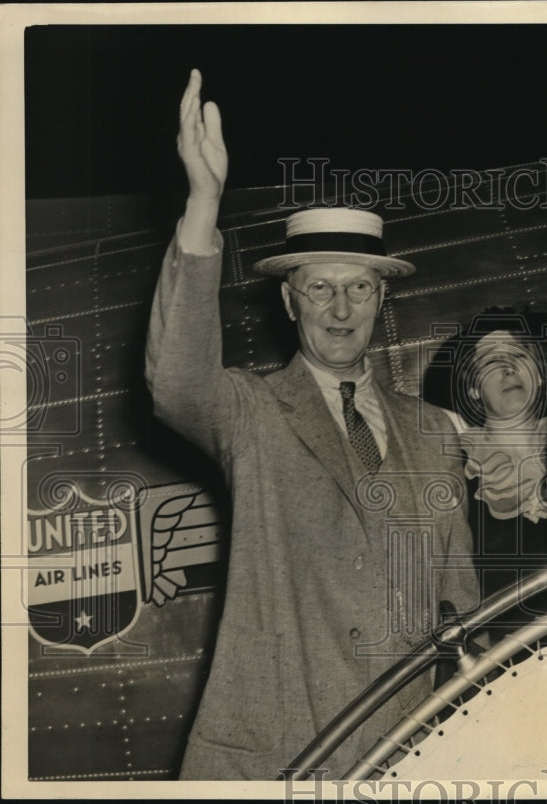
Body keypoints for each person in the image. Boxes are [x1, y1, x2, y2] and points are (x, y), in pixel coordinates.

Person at [145, 70, 479, 780]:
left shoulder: (432, 433)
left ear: (382, 296)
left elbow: (461, 605)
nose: (339, 306)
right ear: (289, 304)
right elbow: (175, 381)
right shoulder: (252, 411)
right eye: (318, 287)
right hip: (279, 757)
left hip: (406, 754)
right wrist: (204, 201)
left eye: (358, 286)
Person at [422, 307, 547, 642]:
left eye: (521, 353)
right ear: (473, 388)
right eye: (491, 360)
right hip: (508, 662)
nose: (509, 368)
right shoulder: (454, 466)